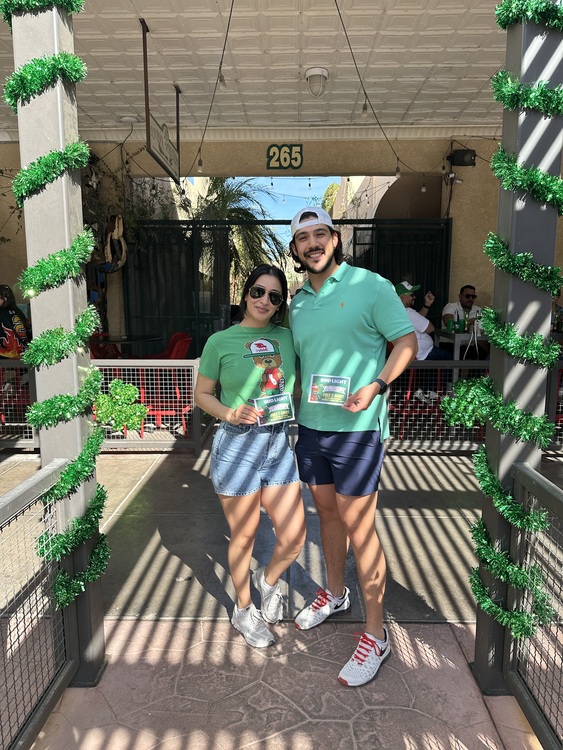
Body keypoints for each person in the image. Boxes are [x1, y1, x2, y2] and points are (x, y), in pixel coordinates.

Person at [288, 207, 417, 687]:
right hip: (311, 427)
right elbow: (299, 365)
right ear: (296, 249)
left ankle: (376, 635)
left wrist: (378, 385)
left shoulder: (371, 286)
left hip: (358, 429)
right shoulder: (297, 303)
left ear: (335, 239)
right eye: (303, 238)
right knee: (327, 515)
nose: (313, 243)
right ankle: (336, 594)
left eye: (320, 233)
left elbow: (407, 343)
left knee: (361, 528)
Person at [195, 264, 306, 649]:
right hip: (237, 446)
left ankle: (268, 580)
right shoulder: (220, 342)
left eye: (274, 296)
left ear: (280, 304)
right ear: (246, 293)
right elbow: (202, 394)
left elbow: (305, 376)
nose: (264, 301)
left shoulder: (288, 338)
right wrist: (229, 413)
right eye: (258, 291)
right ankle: (244, 609)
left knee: (294, 537)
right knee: (243, 536)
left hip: (278, 443)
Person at [396, 281, 452, 361]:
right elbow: (430, 328)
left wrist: (427, 304)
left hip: (411, 353)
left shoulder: (396, 312)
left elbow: (417, 321)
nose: (414, 297)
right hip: (424, 354)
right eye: (411, 295)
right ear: (402, 296)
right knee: (453, 359)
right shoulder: (408, 312)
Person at [0, 284, 31, 359]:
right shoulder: (18, 312)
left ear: (4, 298)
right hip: (21, 355)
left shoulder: (1, 313)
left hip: (5, 355)